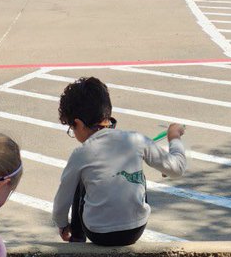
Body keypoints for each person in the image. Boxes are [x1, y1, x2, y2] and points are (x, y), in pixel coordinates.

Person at [52, 76, 187, 247]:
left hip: (98, 233)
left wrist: (62, 225)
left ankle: (77, 239)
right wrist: (174, 137)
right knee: (135, 174)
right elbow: (177, 168)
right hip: (135, 229)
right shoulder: (136, 140)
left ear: (78, 123)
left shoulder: (81, 153)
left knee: (80, 181)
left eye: (72, 129)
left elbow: (61, 202)